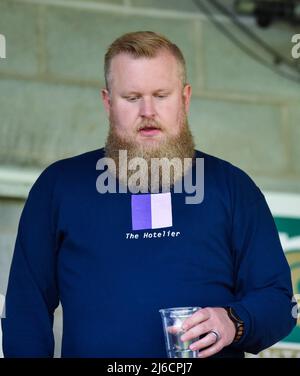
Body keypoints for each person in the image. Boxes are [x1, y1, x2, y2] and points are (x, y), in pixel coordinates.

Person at [1, 31, 296, 358]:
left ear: (184, 98)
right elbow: (25, 311)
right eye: (131, 97)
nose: (148, 111)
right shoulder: (59, 186)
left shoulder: (233, 188)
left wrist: (233, 321)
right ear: (108, 102)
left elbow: (279, 302)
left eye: (161, 95)